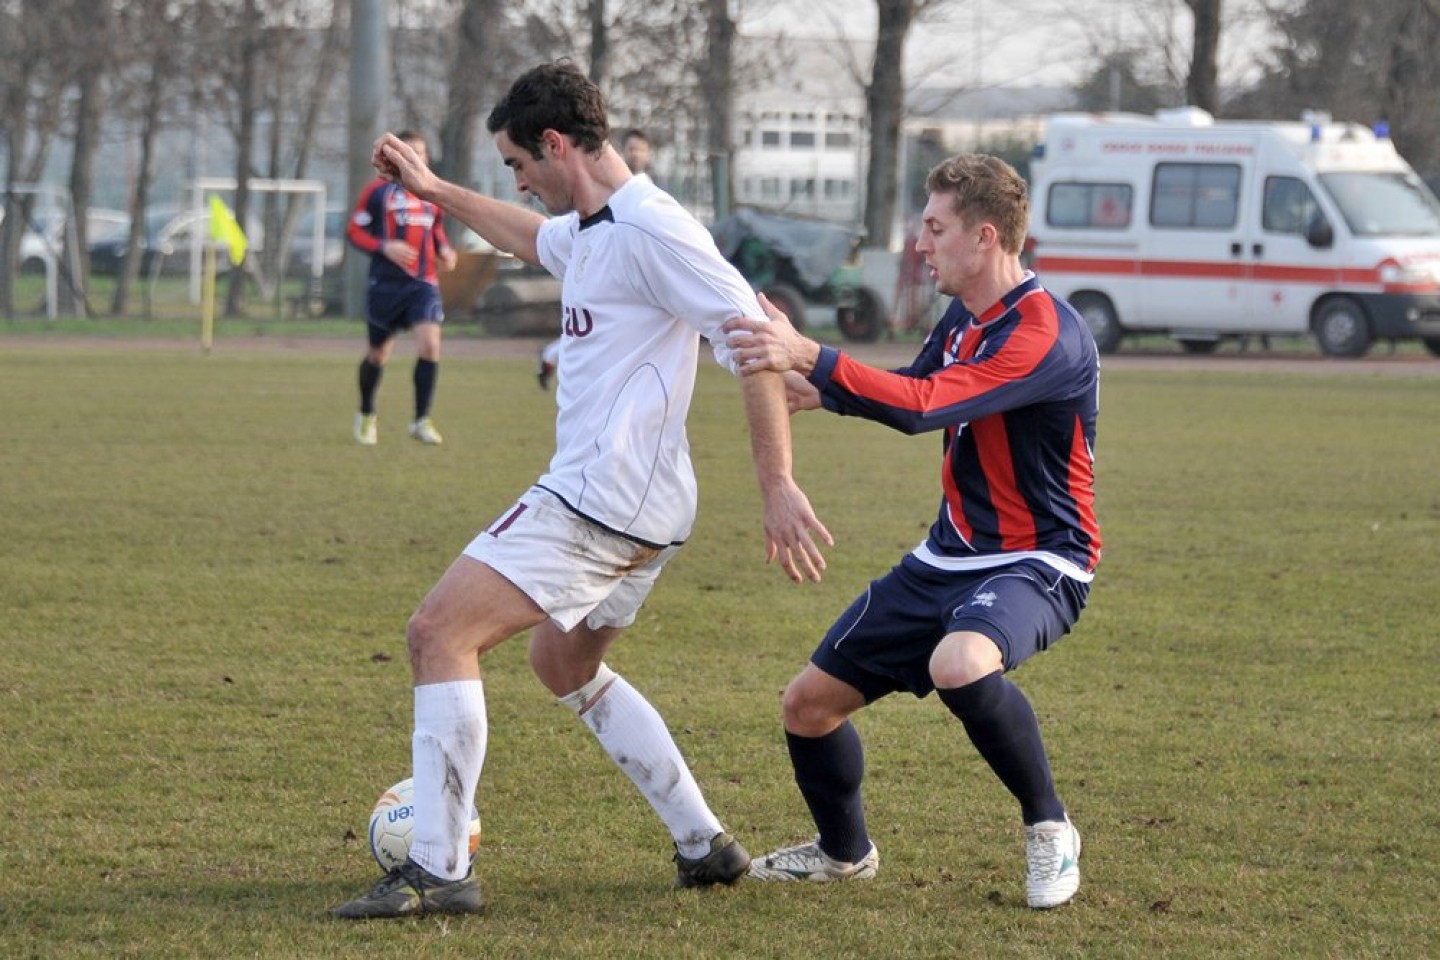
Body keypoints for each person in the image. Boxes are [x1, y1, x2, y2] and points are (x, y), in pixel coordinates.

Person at [331, 60, 833, 920]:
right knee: (562, 661)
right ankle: (703, 843)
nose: (518, 180)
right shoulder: (593, 225)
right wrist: (432, 186)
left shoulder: (654, 229)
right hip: (649, 504)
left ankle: (440, 869)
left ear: (557, 143)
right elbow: (531, 236)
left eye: (520, 163)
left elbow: (754, 336)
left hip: (601, 499)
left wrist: (779, 482)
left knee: (436, 633)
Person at [723, 153, 1101, 910]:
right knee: (807, 706)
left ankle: (1051, 827)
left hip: (1038, 561)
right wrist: (818, 393)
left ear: (985, 237)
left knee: (961, 662)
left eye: (935, 227)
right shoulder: (965, 317)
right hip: (946, 555)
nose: (920, 243)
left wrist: (814, 354)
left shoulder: (1043, 335)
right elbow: (913, 382)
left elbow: (927, 404)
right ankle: (842, 854)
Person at [346, 130, 458, 446]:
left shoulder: (432, 197)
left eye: (421, 153)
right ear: (397, 157)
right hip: (385, 286)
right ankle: (367, 412)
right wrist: (385, 246)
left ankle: (421, 420)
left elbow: (436, 233)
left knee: (430, 345)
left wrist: (445, 251)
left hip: (422, 284)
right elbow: (354, 231)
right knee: (378, 353)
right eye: (411, 153)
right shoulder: (377, 193)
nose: (417, 159)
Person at [536, 127, 655, 390]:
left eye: (640, 149)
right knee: (588, 328)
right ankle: (549, 357)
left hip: (628, 274)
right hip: (599, 264)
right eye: (631, 148)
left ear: (648, 154)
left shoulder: (649, 197)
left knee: (598, 331)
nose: (635, 154)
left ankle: (548, 356)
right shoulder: (611, 188)